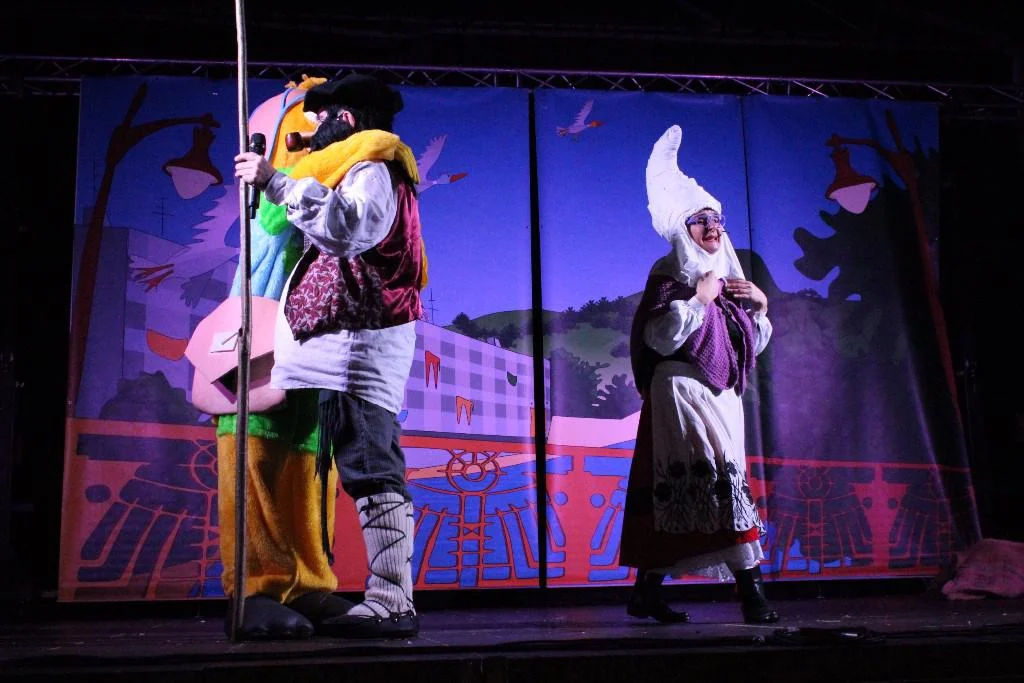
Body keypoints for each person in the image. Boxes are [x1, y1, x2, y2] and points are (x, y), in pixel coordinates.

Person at [234, 73, 424, 639]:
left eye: (322, 116)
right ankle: (386, 599)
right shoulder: (364, 166)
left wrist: (276, 182)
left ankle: (393, 601)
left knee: (372, 468)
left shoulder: (372, 168)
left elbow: (346, 228)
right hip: (345, 357)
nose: (313, 127)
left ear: (348, 118)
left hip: (357, 356)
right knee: (364, 468)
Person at [211, 76, 355, 641]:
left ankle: (308, 581)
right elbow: (276, 221)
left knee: (311, 465)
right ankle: (256, 586)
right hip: (264, 327)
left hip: (315, 339)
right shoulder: (277, 201)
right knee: (257, 454)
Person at [618, 124, 780, 625]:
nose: (712, 228)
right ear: (683, 229)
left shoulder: (727, 282)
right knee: (715, 483)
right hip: (681, 392)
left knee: (687, 491)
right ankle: (752, 595)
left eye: (717, 220)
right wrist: (700, 299)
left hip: (720, 395)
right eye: (700, 220)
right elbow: (659, 336)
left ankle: (646, 592)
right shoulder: (671, 273)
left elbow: (743, 347)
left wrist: (760, 308)